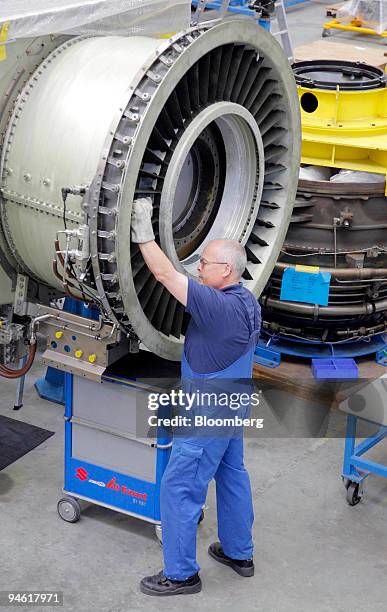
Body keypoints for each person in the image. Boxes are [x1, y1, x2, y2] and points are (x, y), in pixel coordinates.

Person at [130, 198, 261, 597]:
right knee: (232, 474)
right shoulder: (247, 301)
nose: (198, 267)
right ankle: (239, 552)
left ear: (226, 270)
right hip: (234, 402)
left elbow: (166, 274)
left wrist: (143, 233)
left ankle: (182, 574)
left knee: (180, 486)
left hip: (207, 412)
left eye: (204, 263)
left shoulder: (216, 306)